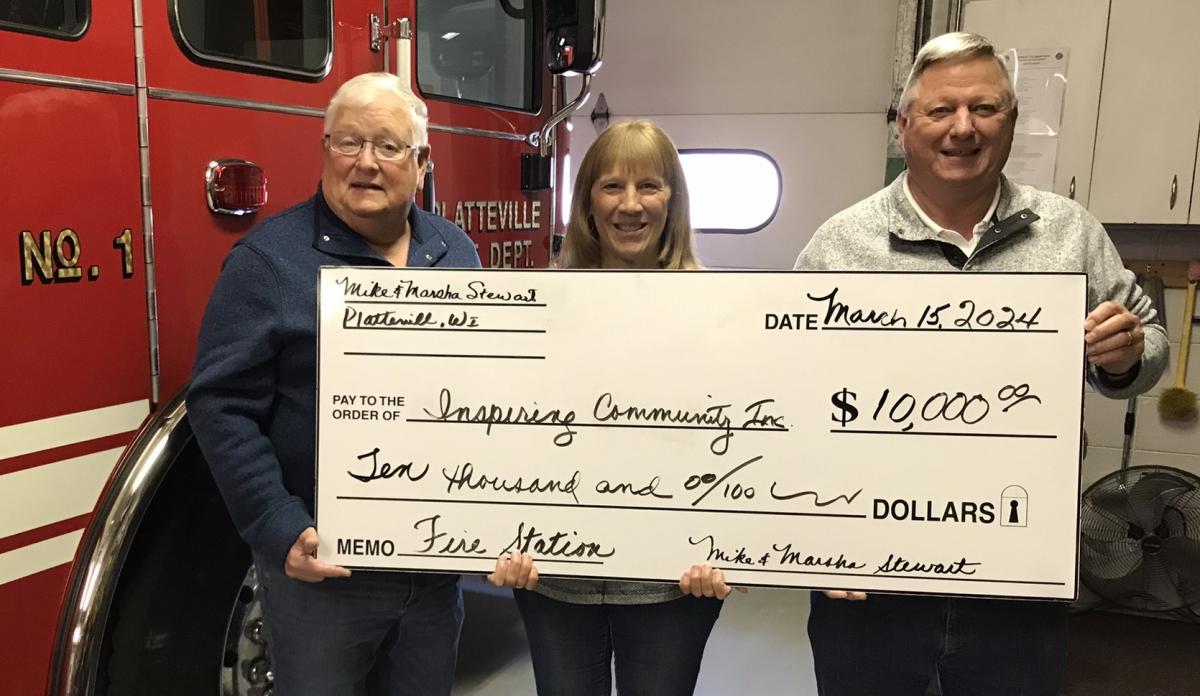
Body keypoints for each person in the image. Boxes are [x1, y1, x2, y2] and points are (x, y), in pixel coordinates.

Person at [794, 32, 1168, 696]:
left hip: (1017, 576)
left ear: (1012, 120)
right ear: (904, 124)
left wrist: (1128, 352)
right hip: (871, 578)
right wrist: (814, 539)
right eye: (941, 111)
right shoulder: (840, 245)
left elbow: (1147, 348)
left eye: (985, 108)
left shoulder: (1070, 232)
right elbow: (789, 396)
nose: (962, 128)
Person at [187, 72, 480, 696]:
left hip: (432, 573)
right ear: (325, 151)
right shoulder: (267, 263)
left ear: (422, 164)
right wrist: (277, 523)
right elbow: (220, 404)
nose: (366, 163)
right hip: (324, 575)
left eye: (388, 146)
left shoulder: (456, 253)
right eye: (347, 143)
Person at [487, 120, 735, 696]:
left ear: (673, 200)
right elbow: (502, 433)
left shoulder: (725, 312)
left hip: (673, 582)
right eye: (612, 187)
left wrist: (734, 546)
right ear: (587, 203)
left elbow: (746, 439)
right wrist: (490, 537)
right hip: (554, 579)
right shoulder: (536, 309)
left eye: (649, 186)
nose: (630, 205)